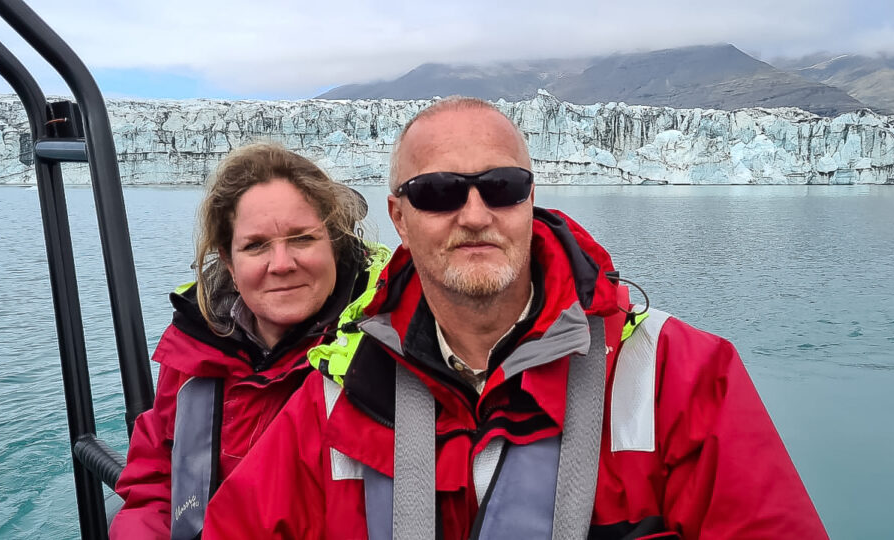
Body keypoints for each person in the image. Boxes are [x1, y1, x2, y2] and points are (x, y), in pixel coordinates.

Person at [203, 98, 827, 539]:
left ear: (531, 198)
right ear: (399, 218)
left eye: (501, 186)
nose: (475, 215)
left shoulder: (677, 374)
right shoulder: (340, 395)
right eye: (439, 192)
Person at [109, 142, 387, 539]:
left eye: (302, 238)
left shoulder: (382, 353)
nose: (282, 264)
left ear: (335, 245)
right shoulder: (196, 349)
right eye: (256, 245)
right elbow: (155, 480)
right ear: (229, 260)